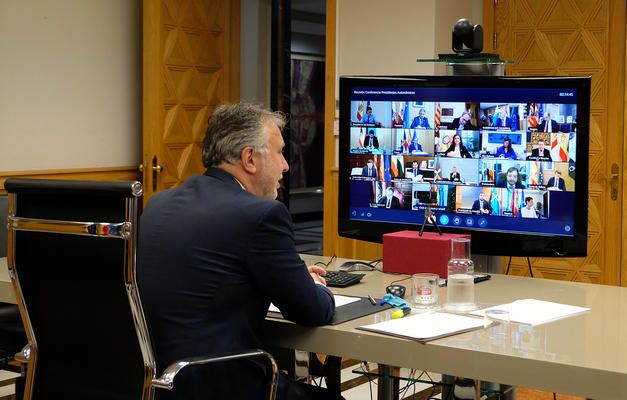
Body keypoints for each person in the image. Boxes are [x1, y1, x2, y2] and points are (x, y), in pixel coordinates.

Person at [138, 103, 341, 400]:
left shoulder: (160, 203)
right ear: (249, 158)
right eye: (280, 152)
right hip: (220, 384)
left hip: (157, 385)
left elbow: (211, 276)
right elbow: (312, 310)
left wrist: (289, 277)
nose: (285, 165)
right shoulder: (261, 215)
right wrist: (312, 285)